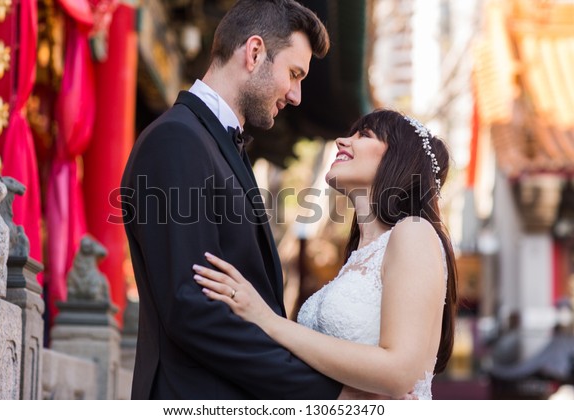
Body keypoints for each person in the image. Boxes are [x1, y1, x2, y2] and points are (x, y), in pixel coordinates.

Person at [121, 0, 362, 399]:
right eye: (294, 73)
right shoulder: (177, 140)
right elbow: (192, 308)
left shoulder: (215, 144)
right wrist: (325, 393)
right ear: (254, 53)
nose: (297, 95)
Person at [193, 109, 459, 400]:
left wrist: (267, 320)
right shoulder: (357, 259)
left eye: (364, 135)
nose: (342, 141)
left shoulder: (413, 232)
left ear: (400, 158)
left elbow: (399, 372)